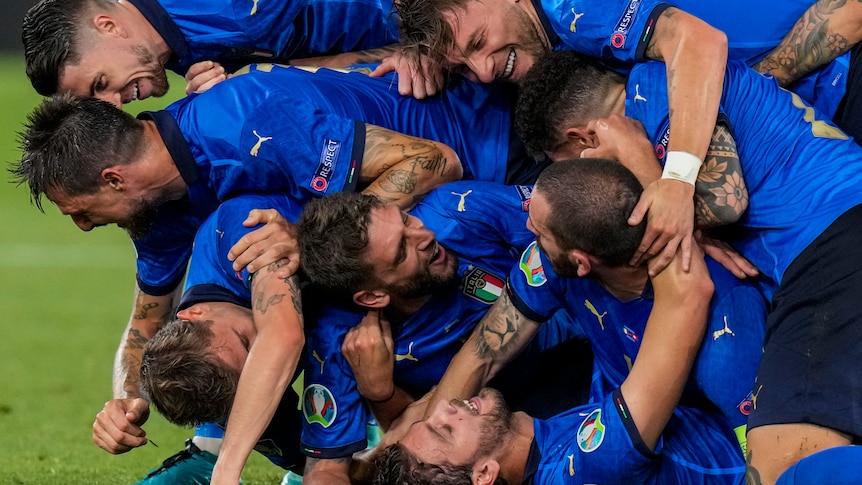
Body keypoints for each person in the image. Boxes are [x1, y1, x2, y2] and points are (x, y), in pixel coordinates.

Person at [14, 64, 470, 484]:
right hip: (410, 283)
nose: (83, 226)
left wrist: (308, 236)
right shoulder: (160, 219)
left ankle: (218, 453)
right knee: (227, 378)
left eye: (79, 210)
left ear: (113, 179)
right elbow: (147, 324)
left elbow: (433, 162)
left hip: (476, 172)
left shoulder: (243, 125)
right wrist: (129, 400)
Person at [515, 50, 862, 483]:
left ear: (583, 139)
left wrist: (640, 160)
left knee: (778, 469)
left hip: (831, 235)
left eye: (568, 168)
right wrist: (694, 231)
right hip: (821, 245)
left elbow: (725, 202)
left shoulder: (655, 89)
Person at [415, 159, 765, 459]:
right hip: (599, 412)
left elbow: (763, 455)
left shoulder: (728, 340)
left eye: (538, 233)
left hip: (682, 453)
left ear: (582, 262)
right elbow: (483, 353)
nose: (526, 232)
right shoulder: (550, 262)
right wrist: (426, 460)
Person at [373, 238, 749, 484]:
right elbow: (689, 297)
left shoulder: (536, 442)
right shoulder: (589, 466)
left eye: (430, 419)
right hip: (753, 430)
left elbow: (481, 353)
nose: (443, 407)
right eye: (446, 429)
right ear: (485, 473)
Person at [295, 182, 592, 485]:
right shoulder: (342, 339)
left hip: (585, 348)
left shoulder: (458, 208)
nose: (425, 236)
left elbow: (581, 215)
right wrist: (381, 394)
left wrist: (382, 397)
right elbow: (332, 470)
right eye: (401, 251)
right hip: (492, 426)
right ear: (372, 297)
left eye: (406, 219)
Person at [21, 0, 402, 105]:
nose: (114, 104)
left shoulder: (232, 11)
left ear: (109, 26)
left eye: (101, 83)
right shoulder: (187, 58)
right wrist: (250, 83)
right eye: (96, 99)